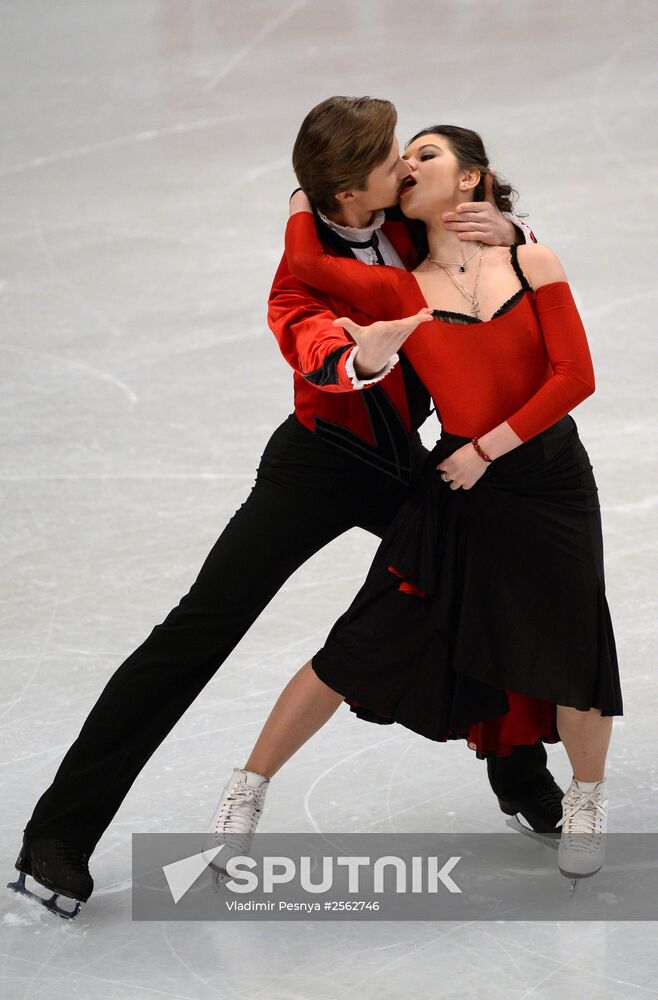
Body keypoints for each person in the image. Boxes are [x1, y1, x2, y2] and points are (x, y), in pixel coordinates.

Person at [11, 98, 557, 917]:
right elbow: (309, 342)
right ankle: (57, 836)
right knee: (200, 627)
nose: (404, 168)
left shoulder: (405, 228)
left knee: (501, 563)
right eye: (389, 161)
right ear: (345, 191)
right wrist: (356, 355)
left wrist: (511, 235)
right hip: (318, 462)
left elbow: (486, 249)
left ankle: (516, 768)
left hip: (401, 457)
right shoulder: (298, 273)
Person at [208, 124, 622, 889]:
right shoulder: (400, 288)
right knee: (364, 638)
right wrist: (309, 189)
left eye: (426, 155)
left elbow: (575, 377)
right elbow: (304, 261)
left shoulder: (532, 260)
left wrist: (486, 448)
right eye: (404, 159)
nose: (406, 166)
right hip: (457, 494)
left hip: (547, 482)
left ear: (472, 180)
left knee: (571, 645)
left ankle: (586, 800)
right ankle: (249, 787)